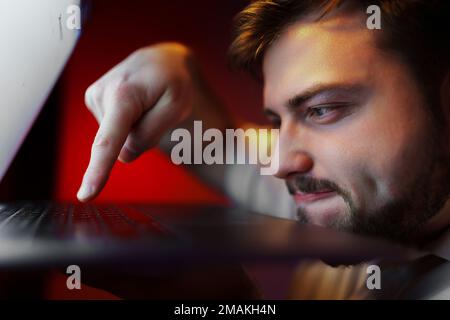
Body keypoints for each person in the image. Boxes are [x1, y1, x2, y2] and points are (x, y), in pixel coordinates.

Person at [77, 0, 450, 298]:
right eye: (276, 122)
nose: (281, 163)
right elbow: (221, 149)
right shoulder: (346, 192)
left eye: (322, 110)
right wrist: (167, 66)